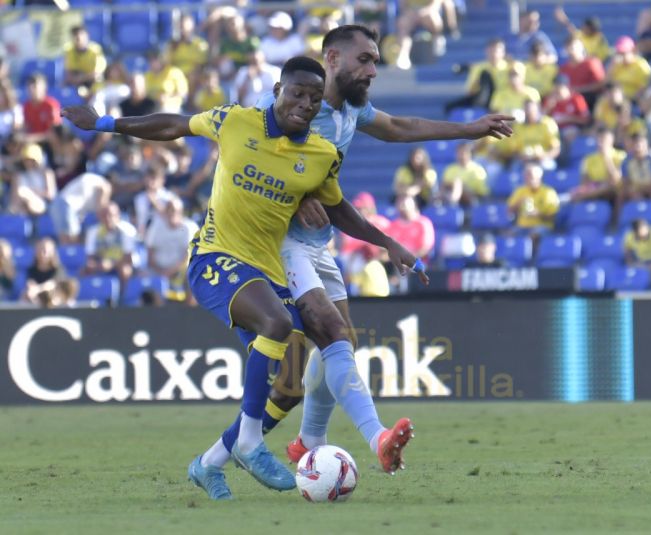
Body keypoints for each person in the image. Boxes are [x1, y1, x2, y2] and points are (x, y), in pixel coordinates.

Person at [63, 56, 425, 501]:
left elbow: (337, 208)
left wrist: (387, 241)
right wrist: (103, 123)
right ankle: (251, 443)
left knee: (290, 384)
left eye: (314, 99)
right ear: (277, 89)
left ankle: (210, 463)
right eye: (297, 93)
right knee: (278, 325)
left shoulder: (320, 155)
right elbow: (173, 125)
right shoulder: (234, 121)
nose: (305, 104)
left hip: (266, 272)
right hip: (215, 258)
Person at [254, 26, 511, 472]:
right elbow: (249, 160)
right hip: (278, 243)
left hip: (317, 243)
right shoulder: (290, 110)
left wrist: (468, 129)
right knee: (319, 353)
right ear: (332, 59)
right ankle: (371, 440)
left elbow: (397, 127)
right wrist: (298, 196)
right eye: (365, 60)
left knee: (334, 349)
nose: (373, 69)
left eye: (375, 60)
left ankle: (299, 443)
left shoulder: (351, 108)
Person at [145, 196, 198, 299]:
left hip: (180, 271)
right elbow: (149, 254)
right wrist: (161, 272)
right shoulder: (156, 226)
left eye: (175, 211)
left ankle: (190, 312)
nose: (172, 213)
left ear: (181, 212)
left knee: (192, 275)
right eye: (169, 210)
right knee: (142, 279)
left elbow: (188, 257)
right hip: (157, 270)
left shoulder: (189, 228)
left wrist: (169, 272)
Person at [82, 201, 138, 296]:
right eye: (104, 215)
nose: (108, 219)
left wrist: (111, 264)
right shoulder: (93, 232)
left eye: (111, 215)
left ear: (118, 215)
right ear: (99, 217)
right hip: (101, 263)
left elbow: (128, 257)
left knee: (125, 271)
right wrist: (95, 264)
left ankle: (121, 301)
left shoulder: (127, 230)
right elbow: (90, 255)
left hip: (123, 263)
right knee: (84, 271)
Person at [49, 172, 111, 244]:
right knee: (71, 239)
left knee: (67, 240)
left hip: (60, 204)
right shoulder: (104, 184)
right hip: (66, 205)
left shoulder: (91, 183)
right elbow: (102, 201)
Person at [506, 161, 560, 238]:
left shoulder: (548, 192)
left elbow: (553, 217)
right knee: (509, 235)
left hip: (542, 226)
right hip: (522, 227)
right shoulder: (520, 191)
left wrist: (538, 214)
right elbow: (509, 211)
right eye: (526, 176)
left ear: (539, 177)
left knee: (534, 235)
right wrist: (518, 203)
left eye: (530, 175)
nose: (527, 178)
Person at [21, 237, 71, 306]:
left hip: (55, 301)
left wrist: (38, 289)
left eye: (45, 251)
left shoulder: (58, 269)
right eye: (39, 250)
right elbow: (30, 284)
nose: (42, 254)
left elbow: (53, 284)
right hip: (37, 300)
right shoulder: (31, 270)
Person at [63, 25, 106, 90]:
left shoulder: (95, 50)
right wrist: (82, 77)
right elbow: (69, 76)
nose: (78, 38)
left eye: (81, 35)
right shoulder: (69, 50)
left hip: (94, 86)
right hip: (77, 85)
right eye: (75, 35)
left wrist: (80, 78)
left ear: (87, 35)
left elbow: (97, 74)